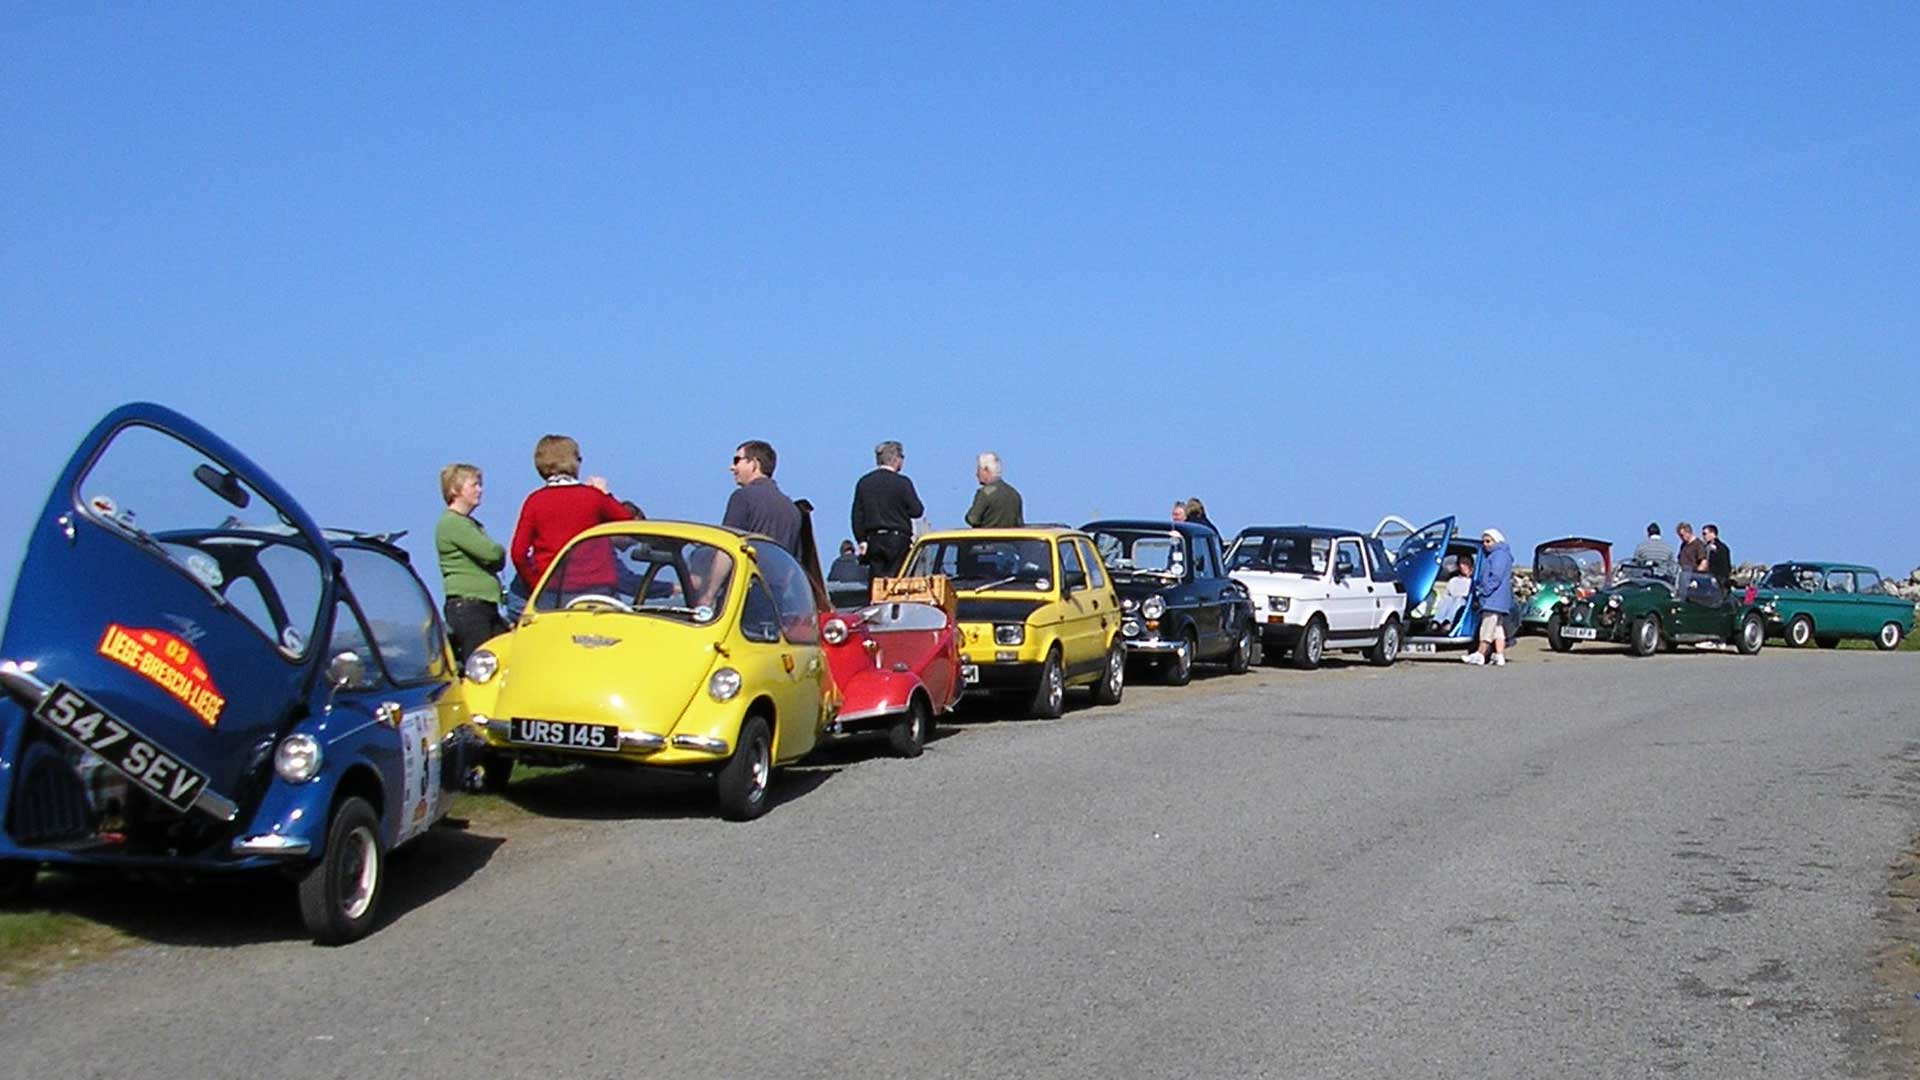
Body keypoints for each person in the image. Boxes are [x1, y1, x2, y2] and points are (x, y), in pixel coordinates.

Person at [508, 435, 636, 598]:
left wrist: (536, 584)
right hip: (596, 589)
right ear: (573, 460)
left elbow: (518, 553)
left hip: (552, 590)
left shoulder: (534, 501)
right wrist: (605, 493)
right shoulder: (592, 497)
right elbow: (627, 522)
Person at [435, 463, 507, 662]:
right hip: (470, 606)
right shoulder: (453, 523)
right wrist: (499, 551)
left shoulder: (468, 523)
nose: (479, 490)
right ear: (455, 490)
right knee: (482, 661)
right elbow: (491, 553)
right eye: (474, 485)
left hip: (482, 604)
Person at [850, 440, 924, 580]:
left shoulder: (864, 483)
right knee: (897, 582)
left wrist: (861, 539)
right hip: (898, 540)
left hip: (874, 539)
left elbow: (857, 515)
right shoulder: (902, 483)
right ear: (896, 459)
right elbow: (917, 511)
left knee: (877, 584)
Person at [723, 439, 802, 553]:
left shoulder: (743, 497)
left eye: (737, 461)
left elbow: (728, 547)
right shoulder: (792, 509)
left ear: (754, 463)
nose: (732, 467)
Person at [1464, 529, 1515, 666]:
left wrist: (1483, 590)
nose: (1485, 544)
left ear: (1496, 541)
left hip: (1493, 599)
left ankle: (1480, 654)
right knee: (1498, 629)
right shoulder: (1502, 555)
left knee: (1487, 627)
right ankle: (1499, 655)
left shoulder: (1498, 556)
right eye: (1484, 541)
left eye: (1488, 541)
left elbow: (1495, 577)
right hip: (1499, 600)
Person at [965, 451, 1024, 528]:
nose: (976, 474)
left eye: (978, 469)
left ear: (986, 470)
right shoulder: (1014, 494)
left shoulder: (985, 493)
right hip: (1011, 539)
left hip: (988, 539)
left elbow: (972, 519)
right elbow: (1019, 523)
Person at [1430, 554, 1474, 631]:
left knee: (1459, 600)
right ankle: (1437, 621)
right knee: (1446, 599)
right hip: (1451, 601)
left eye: (1466, 563)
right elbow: (1448, 593)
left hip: (1463, 603)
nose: (1463, 566)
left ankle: (1449, 622)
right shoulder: (1453, 580)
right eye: (1461, 563)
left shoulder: (1472, 581)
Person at [1702, 524, 1733, 590]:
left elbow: (1725, 567)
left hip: (1718, 582)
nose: (1703, 536)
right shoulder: (1705, 547)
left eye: (1705, 534)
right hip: (1707, 580)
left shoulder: (1721, 548)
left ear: (1712, 533)